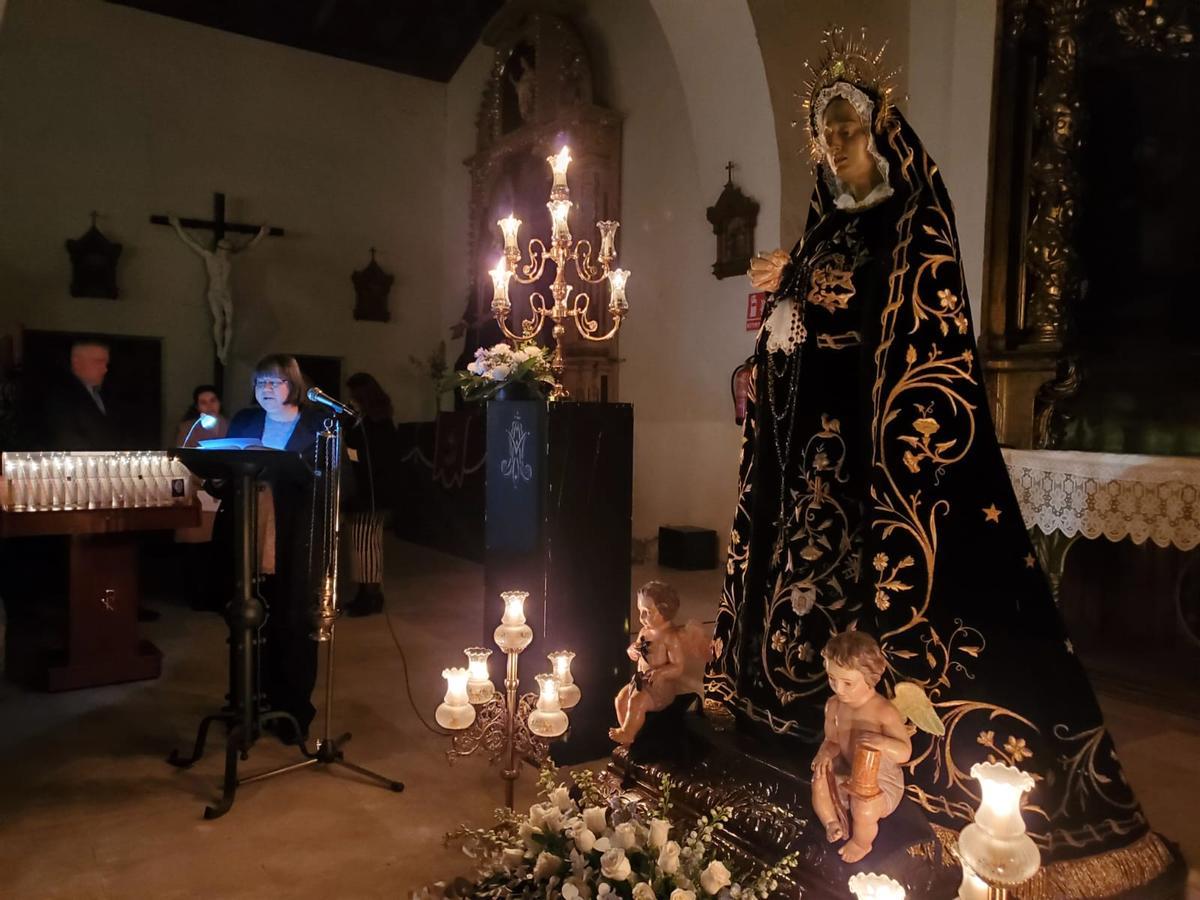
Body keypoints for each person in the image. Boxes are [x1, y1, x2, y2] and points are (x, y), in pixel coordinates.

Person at [706, 29, 1173, 893]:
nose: (837, 144)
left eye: (849, 128)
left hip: (885, 439)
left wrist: (813, 297)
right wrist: (784, 304)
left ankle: (893, 748)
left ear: (881, 132)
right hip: (819, 449)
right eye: (826, 132)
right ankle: (794, 712)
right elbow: (797, 338)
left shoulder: (912, 216)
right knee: (806, 573)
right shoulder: (818, 232)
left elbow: (918, 320)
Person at [215, 355, 327, 742]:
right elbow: (226, 470)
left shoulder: (318, 424)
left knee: (292, 624)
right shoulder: (245, 420)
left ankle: (293, 712)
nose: (266, 389)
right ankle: (247, 705)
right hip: (248, 532)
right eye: (260, 382)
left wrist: (298, 476)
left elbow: (340, 482)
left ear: (293, 385)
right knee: (246, 622)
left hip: (294, 537)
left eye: (275, 382)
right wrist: (216, 478)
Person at [810, 632, 911, 863]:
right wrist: (825, 753)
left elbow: (904, 752)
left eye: (848, 683)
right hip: (847, 768)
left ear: (869, 678)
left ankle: (861, 843)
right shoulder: (833, 706)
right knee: (819, 778)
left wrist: (882, 742)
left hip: (879, 780)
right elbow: (833, 741)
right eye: (832, 679)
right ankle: (831, 822)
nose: (838, 689)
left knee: (864, 804)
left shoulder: (883, 711)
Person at [342, 372, 396, 617]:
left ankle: (370, 594)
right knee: (362, 545)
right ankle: (365, 591)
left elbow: (374, 457)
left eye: (353, 396)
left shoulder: (376, 423)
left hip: (370, 492)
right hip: (364, 490)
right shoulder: (367, 420)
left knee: (366, 546)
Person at [609, 581, 686, 746]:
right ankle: (628, 733)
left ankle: (628, 733)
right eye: (640, 611)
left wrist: (661, 672)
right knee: (621, 699)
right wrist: (632, 651)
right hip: (640, 681)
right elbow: (637, 648)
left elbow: (678, 667)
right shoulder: (645, 631)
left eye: (647, 612)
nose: (642, 617)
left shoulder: (670, 637)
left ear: (665, 611)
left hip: (659, 687)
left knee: (636, 702)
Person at [173, 385, 229, 610]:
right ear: (197, 406)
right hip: (197, 491)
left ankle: (217, 596)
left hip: (224, 491)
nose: (209, 406)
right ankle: (197, 596)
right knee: (196, 549)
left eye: (212, 400)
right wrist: (204, 482)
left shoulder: (229, 425)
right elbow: (181, 459)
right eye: (203, 402)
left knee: (219, 547)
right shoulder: (188, 428)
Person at [42, 339, 118, 451]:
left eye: (106, 363)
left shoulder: (105, 393)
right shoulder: (62, 397)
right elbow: (69, 441)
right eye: (98, 362)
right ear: (77, 363)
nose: (105, 369)